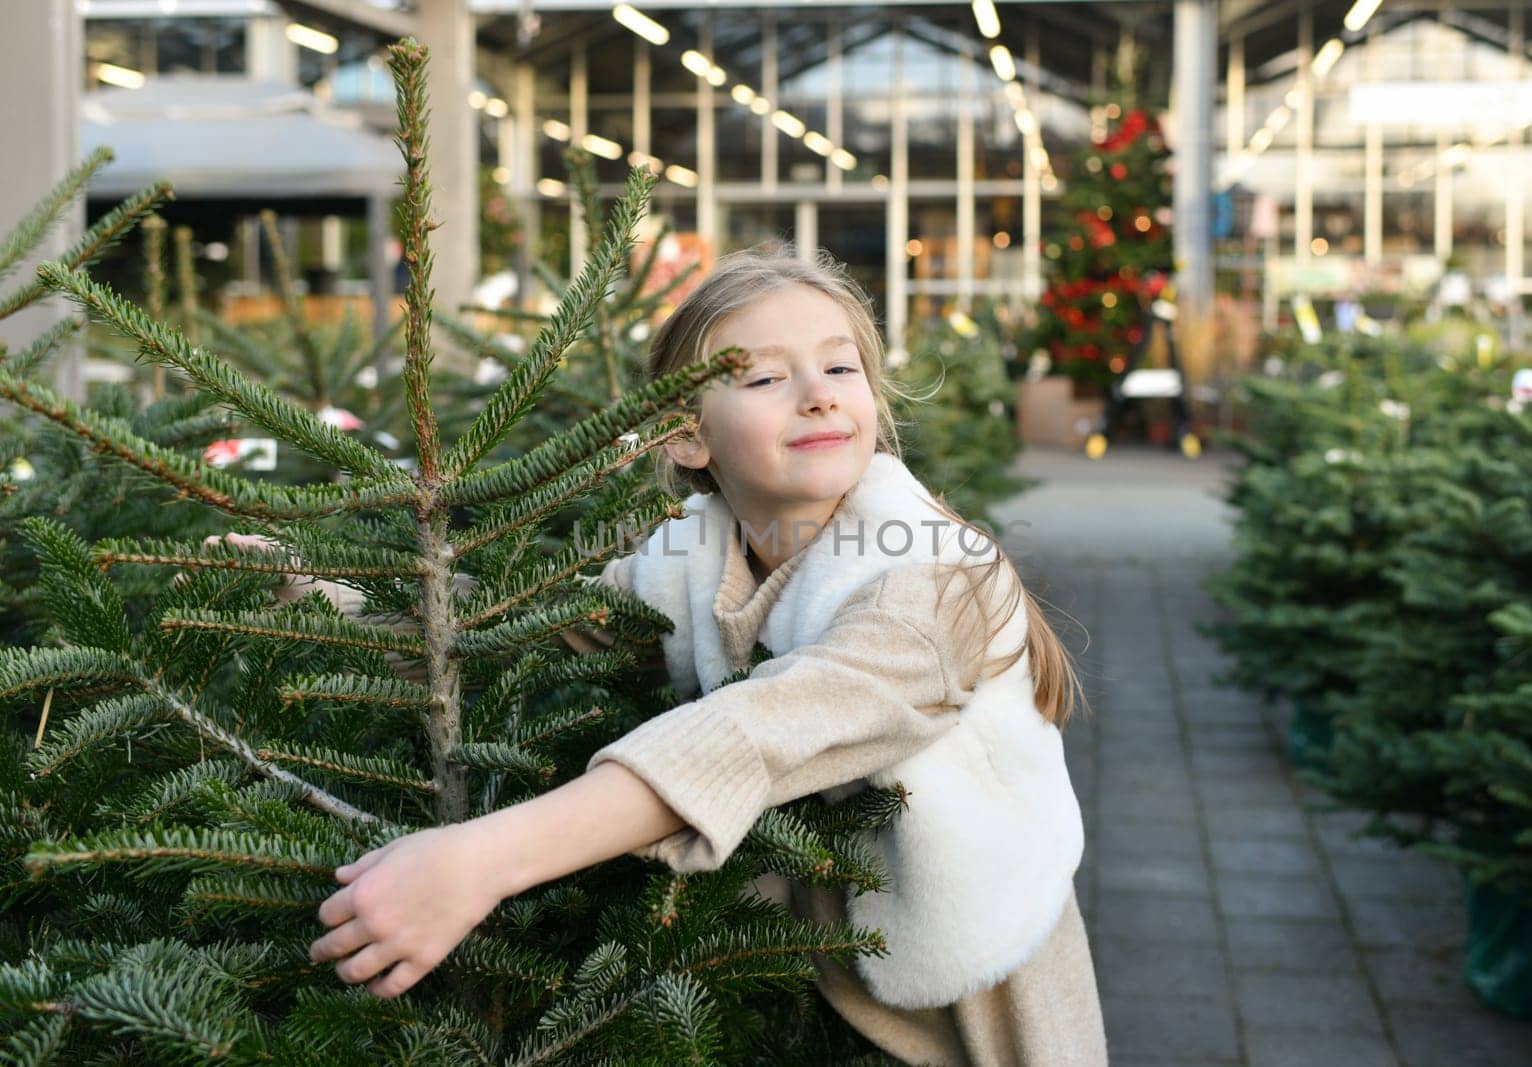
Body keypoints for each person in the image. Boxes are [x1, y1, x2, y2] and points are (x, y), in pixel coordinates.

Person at [305, 247, 1107, 1066]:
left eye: (841, 364)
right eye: (764, 379)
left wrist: (480, 860)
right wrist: (314, 601)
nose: (820, 392)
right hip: (802, 979)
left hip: (967, 1015)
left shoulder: (931, 578)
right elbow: (528, 630)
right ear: (687, 434)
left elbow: (757, 730)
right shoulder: (687, 561)